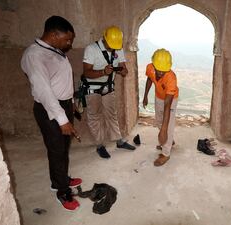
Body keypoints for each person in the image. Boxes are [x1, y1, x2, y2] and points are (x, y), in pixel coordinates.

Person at [21, 16, 82, 211]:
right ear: (54, 34)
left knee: (63, 147)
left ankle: (61, 178)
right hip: (50, 109)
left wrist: (70, 102)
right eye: (67, 39)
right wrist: (62, 120)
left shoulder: (55, 50)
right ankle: (62, 191)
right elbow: (44, 92)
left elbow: (62, 80)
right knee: (56, 149)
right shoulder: (35, 55)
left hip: (63, 105)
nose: (69, 43)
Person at [82, 26, 135, 159]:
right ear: (104, 39)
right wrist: (103, 72)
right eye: (111, 46)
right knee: (95, 117)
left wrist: (120, 70)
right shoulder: (91, 49)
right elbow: (86, 72)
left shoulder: (118, 48)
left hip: (108, 87)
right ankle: (100, 145)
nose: (113, 48)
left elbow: (125, 70)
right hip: (92, 87)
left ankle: (119, 141)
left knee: (112, 114)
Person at [142, 49, 179, 166]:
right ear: (153, 64)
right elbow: (149, 79)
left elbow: (167, 105)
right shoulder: (150, 68)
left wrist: (164, 130)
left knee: (167, 126)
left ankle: (166, 154)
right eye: (159, 70)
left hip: (171, 99)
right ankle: (169, 140)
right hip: (158, 96)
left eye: (164, 71)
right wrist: (145, 96)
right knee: (158, 121)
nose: (161, 73)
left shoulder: (171, 78)